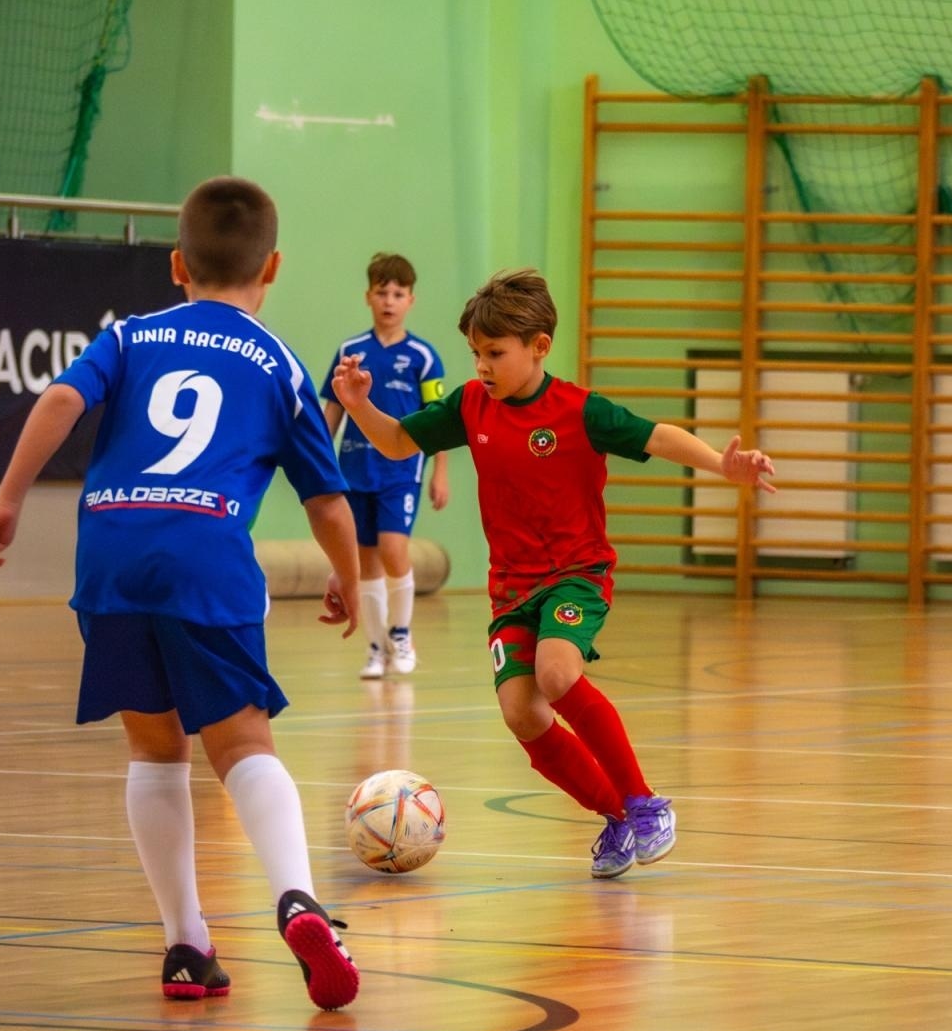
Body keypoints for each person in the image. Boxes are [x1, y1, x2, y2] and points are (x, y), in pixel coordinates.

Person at [0, 177, 363, 1010]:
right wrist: (348, 578)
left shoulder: (133, 334)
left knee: (154, 750)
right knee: (243, 745)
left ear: (177, 263)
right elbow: (325, 500)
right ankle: (299, 899)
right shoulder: (280, 363)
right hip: (204, 555)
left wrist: (7, 501)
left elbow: (62, 398)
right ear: (274, 267)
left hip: (108, 552)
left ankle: (186, 944)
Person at [332, 268, 775, 879]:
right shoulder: (469, 403)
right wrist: (359, 406)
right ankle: (617, 817)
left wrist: (722, 466)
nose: (482, 365)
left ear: (539, 346)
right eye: (476, 354)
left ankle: (646, 802)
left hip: (575, 573)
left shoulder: (578, 411)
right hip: (511, 588)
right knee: (521, 712)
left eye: (494, 353)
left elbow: (659, 437)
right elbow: (399, 443)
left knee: (557, 670)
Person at [320, 253, 449, 680]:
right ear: (368, 297)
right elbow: (332, 413)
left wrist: (440, 472)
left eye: (398, 293)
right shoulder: (350, 351)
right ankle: (375, 648)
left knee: (395, 552)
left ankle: (401, 633)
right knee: (366, 561)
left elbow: (439, 419)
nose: (389, 301)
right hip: (354, 471)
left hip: (401, 472)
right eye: (382, 292)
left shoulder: (423, 357)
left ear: (411, 300)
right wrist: (315, 458)